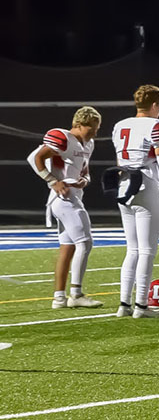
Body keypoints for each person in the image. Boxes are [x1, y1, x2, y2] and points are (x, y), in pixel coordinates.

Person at [111, 85, 159, 319]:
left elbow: (119, 160)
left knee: (131, 249)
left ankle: (124, 304)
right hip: (146, 185)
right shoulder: (157, 126)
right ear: (155, 105)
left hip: (124, 186)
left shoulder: (120, 125)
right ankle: (141, 306)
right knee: (146, 250)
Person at [26, 106, 103, 309]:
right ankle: (76, 294)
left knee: (68, 248)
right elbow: (36, 158)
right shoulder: (62, 137)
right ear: (78, 124)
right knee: (85, 243)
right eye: (91, 127)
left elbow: (84, 169)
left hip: (73, 196)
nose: (95, 132)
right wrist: (52, 180)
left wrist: (85, 179)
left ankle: (59, 298)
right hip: (64, 199)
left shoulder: (89, 143)